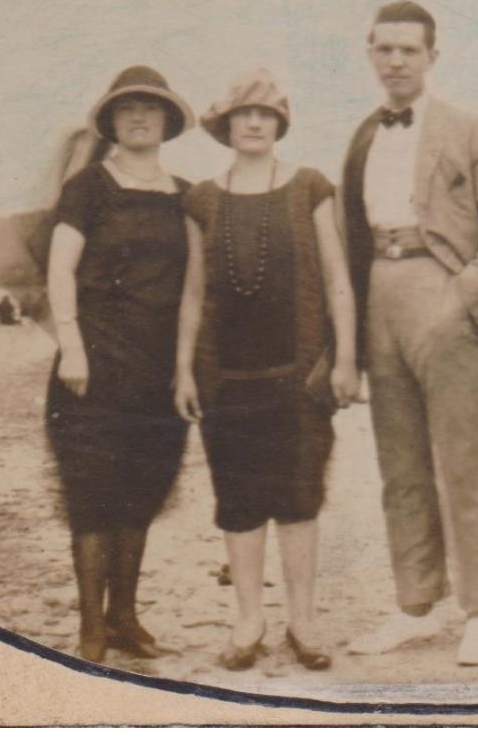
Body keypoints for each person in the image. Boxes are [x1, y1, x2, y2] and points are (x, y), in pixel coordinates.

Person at [338, 1, 478, 667]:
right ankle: (414, 603)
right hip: (379, 294)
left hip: (442, 292)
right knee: (399, 463)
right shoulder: (364, 135)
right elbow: (349, 232)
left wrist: (461, 301)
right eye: (383, 49)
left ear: (431, 57)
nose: (395, 61)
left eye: (408, 50)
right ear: (369, 53)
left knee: (463, 457)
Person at [174, 69, 361, 673]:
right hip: (226, 379)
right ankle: (248, 620)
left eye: (266, 114)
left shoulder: (309, 187)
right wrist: (182, 370)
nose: (254, 123)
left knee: (300, 498)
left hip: (299, 376)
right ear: (225, 125)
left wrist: (347, 358)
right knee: (239, 501)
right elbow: (193, 295)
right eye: (243, 114)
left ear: (280, 124)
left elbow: (338, 279)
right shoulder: (201, 199)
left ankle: (303, 621)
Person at [44, 65, 197, 664]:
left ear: (166, 122)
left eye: (151, 108)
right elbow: (60, 269)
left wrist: (187, 367)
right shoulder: (88, 187)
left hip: (159, 371)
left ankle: (124, 618)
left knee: (144, 492)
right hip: (94, 365)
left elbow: (195, 287)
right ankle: (90, 629)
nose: (139, 117)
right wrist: (72, 345)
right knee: (93, 495)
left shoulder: (185, 195)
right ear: (111, 120)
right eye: (127, 108)